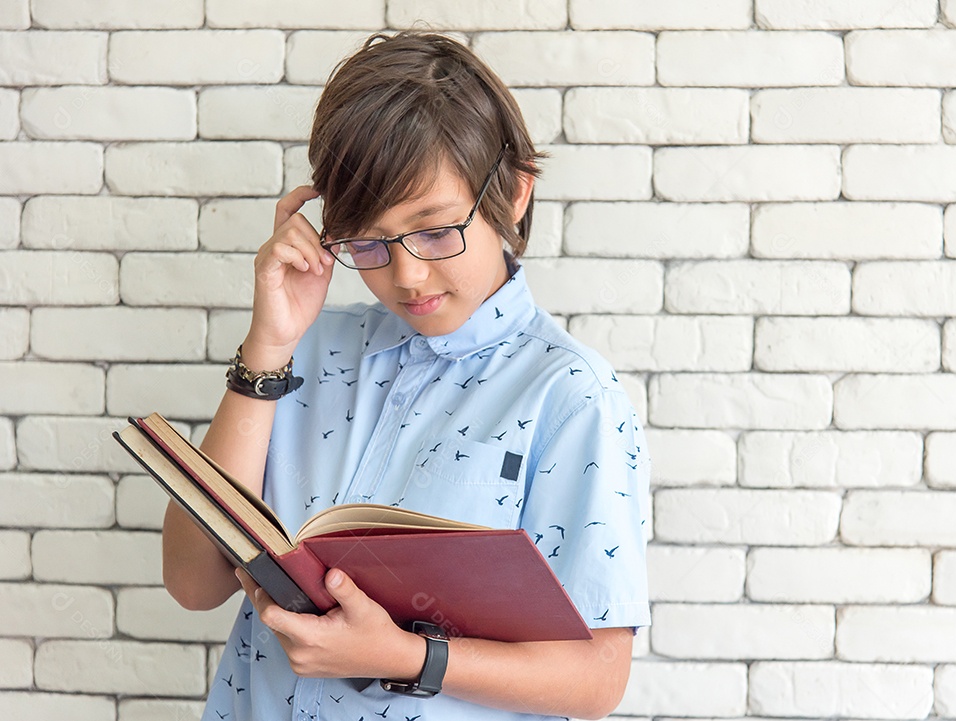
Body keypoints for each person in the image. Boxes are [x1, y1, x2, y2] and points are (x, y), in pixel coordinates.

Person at [161, 31, 650, 721]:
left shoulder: (571, 396)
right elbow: (191, 581)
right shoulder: (308, 348)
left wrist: (400, 655)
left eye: (435, 229)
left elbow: (597, 678)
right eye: (368, 241)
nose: (407, 274)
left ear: (512, 193)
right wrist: (266, 345)